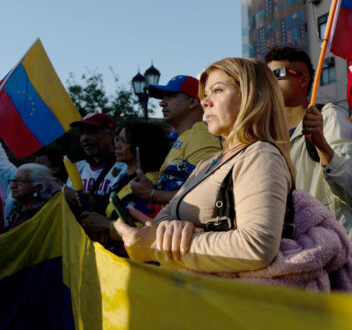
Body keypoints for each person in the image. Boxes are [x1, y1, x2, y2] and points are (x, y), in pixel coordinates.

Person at [115, 57, 294, 273]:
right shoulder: (207, 163)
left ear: (252, 96)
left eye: (218, 90)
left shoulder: (260, 155)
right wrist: (173, 229)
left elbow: (257, 246)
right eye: (205, 94)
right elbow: (166, 215)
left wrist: (158, 246)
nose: (205, 102)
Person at [265, 46, 352, 258]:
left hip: (334, 253)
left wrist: (321, 143)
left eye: (278, 74)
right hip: (288, 254)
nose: (270, 81)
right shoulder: (264, 133)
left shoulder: (329, 118)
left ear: (303, 80)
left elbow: (351, 190)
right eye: (266, 75)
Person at [130, 75, 221, 206]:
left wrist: (153, 194)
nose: (162, 102)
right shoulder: (186, 137)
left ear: (192, 102)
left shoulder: (202, 137)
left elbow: (208, 191)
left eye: (170, 95)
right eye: (162, 97)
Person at [78, 122, 170, 248]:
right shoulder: (123, 178)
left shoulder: (150, 184)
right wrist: (93, 202)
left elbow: (151, 228)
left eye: (123, 141)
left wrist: (108, 225)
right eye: (117, 139)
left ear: (140, 147)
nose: (117, 146)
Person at [63, 113, 128, 214]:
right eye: (82, 133)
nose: (85, 138)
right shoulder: (77, 167)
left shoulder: (125, 166)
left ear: (110, 134)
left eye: (92, 132)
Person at [3, 163, 60, 232]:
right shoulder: (17, 208)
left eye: (20, 181)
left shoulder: (43, 213)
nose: (13, 186)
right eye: (13, 181)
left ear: (37, 187)